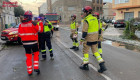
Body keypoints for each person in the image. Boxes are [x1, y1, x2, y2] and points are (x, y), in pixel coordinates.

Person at [79, 6, 107, 73]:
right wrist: (99, 37)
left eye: (84, 12)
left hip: (88, 40)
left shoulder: (86, 20)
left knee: (85, 52)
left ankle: (85, 66)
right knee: (96, 52)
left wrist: (82, 39)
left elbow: (85, 32)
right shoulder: (95, 19)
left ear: (87, 12)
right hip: (95, 40)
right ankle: (102, 65)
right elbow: (99, 30)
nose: (84, 13)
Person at [18, 11, 42, 76]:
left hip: (25, 44)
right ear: (31, 17)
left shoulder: (21, 24)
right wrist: (39, 23)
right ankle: (36, 68)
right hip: (34, 42)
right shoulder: (33, 24)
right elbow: (39, 30)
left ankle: (29, 71)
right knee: (36, 54)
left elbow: (19, 34)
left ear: (25, 17)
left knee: (28, 57)